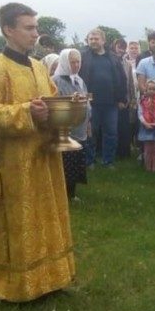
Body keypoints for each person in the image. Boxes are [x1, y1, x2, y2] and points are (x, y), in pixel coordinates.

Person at [0, 3, 75, 302]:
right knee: (19, 222)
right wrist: (28, 112)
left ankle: (50, 278)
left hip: (44, 157)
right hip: (13, 162)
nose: (35, 33)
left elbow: (53, 103)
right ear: (8, 30)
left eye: (35, 27)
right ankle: (16, 285)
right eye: (29, 28)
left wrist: (63, 111)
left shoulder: (40, 67)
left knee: (46, 215)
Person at [79, 28, 127, 168]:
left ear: (103, 41)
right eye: (91, 39)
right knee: (90, 133)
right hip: (90, 103)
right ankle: (89, 161)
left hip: (111, 103)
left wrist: (121, 99)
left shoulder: (113, 58)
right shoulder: (83, 57)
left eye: (96, 39)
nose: (93, 41)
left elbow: (122, 79)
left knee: (111, 133)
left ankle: (108, 161)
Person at [52, 48, 90, 200]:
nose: (76, 65)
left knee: (76, 161)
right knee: (65, 163)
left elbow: (86, 102)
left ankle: (72, 192)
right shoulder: (56, 81)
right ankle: (62, 193)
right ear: (64, 62)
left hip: (80, 128)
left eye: (78, 62)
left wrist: (88, 122)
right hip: (64, 129)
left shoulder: (79, 80)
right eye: (72, 62)